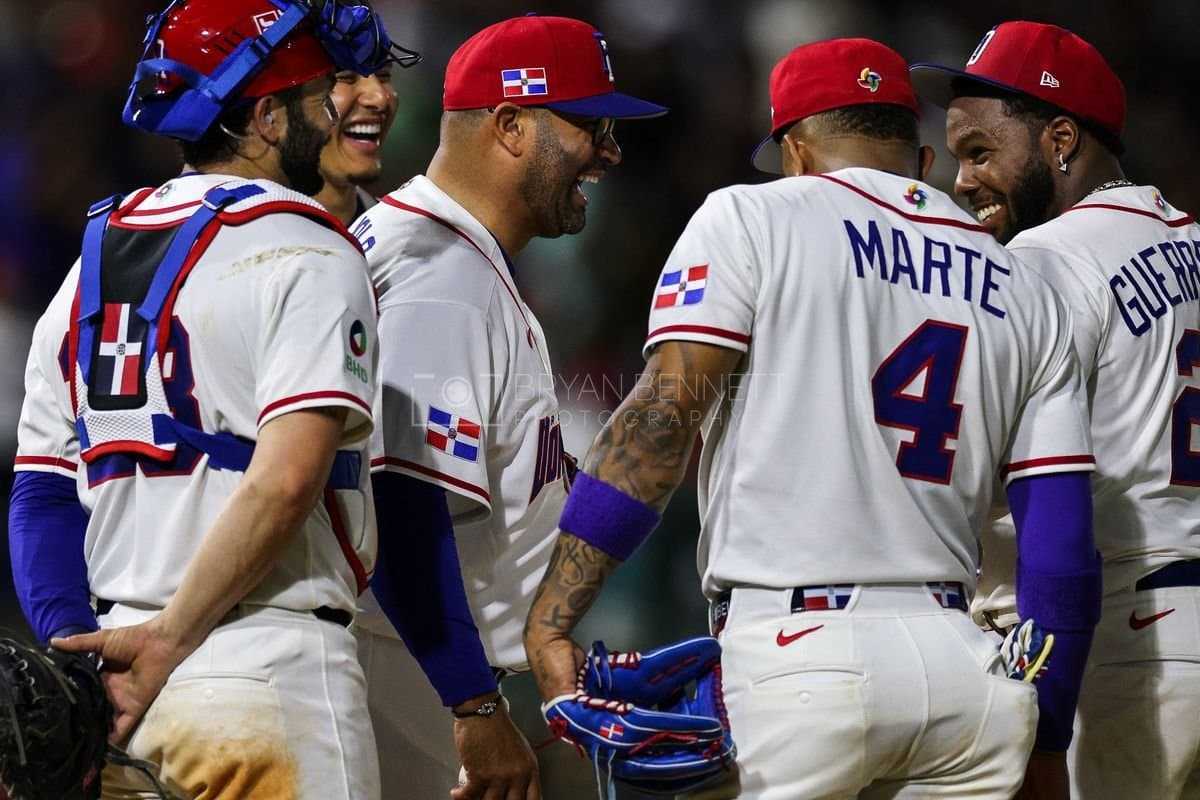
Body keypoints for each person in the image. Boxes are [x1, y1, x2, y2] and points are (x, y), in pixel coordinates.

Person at [523, 37, 1103, 799]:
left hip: (799, 660)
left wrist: (553, 618)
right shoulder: (1024, 281)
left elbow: (660, 427)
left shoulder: (752, 216)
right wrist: (1047, 738)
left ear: (796, 152)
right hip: (965, 672)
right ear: (921, 161)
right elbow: (1061, 548)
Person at [7, 1, 416, 796]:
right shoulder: (310, 247)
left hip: (122, 694)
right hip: (267, 670)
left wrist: (79, 657)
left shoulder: (90, 257)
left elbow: (42, 492)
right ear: (267, 117)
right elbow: (287, 480)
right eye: (316, 91)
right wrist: (168, 640)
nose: (335, 105)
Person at [349, 14, 667, 799]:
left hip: (411, 659)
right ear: (512, 125)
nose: (610, 151)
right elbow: (402, 502)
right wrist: (474, 700)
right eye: (591, 125)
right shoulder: (442, 276)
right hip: (398, 666)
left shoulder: (438, 253)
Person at [912, 21, 1200, 799]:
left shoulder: (1041, 262)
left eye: (980, 152)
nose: (963, 181)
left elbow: (985, 469)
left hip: (1120, 644)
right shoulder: (1193, 242)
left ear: (1060, 140)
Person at [315, 65, 398, 225]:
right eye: (345, 77)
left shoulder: (400, 239)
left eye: (384, 76)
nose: (380, 97)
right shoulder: (256, 239)